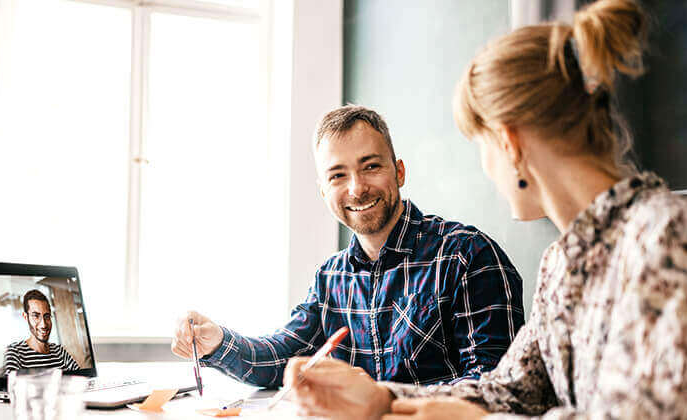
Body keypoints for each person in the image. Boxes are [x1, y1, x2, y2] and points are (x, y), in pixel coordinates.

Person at [284, 0, 687, 419]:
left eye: (480, 146)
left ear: (508, 143)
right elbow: (513, 390)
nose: (486, 168)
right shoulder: (561, 263)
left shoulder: (665, 233)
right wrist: (385, 399)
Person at [171, 105, 525, 388]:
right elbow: (280, 359)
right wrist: (217, 342)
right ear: (323, 191)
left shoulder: (467, 256)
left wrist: (381, 400)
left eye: (370, 167)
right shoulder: (330, 278)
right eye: (337, 175)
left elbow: (494, 387)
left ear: (399, 172)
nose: (356, 188)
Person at [3, 289, 80, 375]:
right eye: (36, 316)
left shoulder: (60, 352)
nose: (43, 325)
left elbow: (83, 380)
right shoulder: (15, 353)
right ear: (26, 317)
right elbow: (11, 387)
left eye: (46, 316)